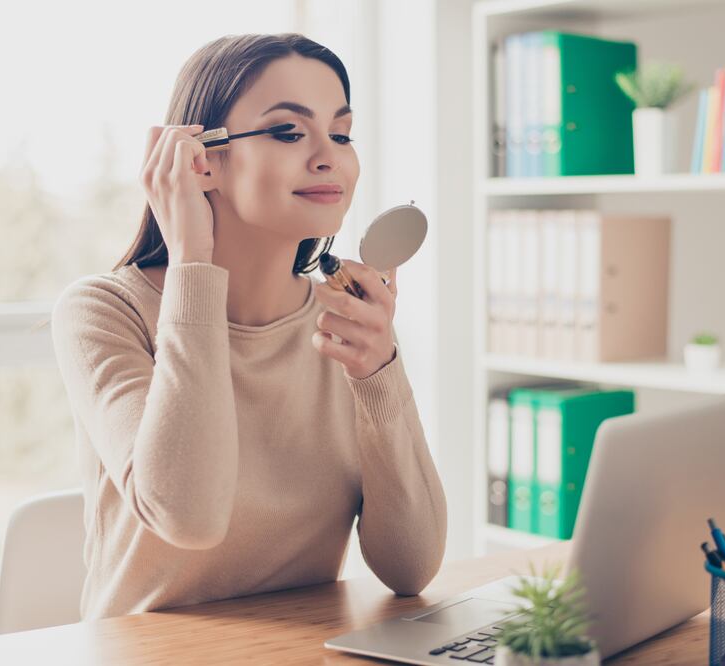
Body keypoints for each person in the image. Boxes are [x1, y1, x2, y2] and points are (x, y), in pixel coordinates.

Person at [50, 32, 447, 621]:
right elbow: (190, 516)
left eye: (341, 133)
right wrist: (192, 260)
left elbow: (410, 569)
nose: (327, 156)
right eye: (289, 131)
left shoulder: (347, 321)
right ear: (200, 158)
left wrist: (379, 375)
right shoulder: (105, 312)